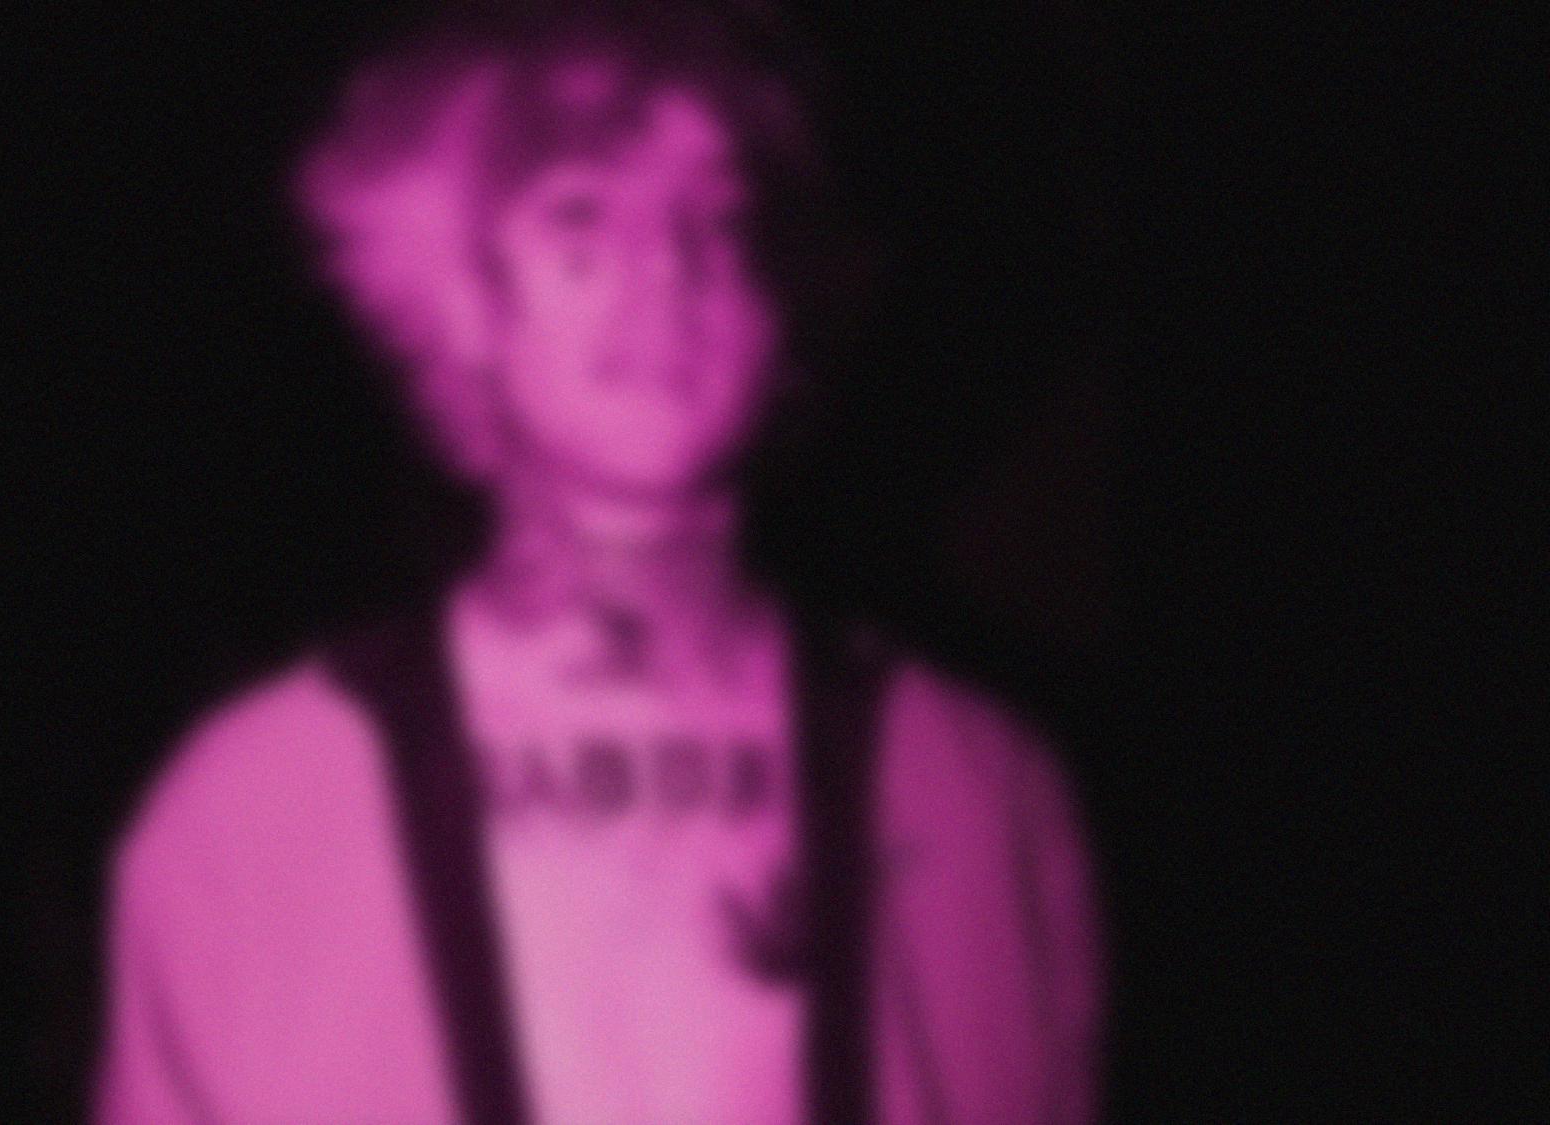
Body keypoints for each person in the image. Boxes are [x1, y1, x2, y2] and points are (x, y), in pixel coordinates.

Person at [95, 4, 1104, 1121]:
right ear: (462, 300)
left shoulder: (976, 786)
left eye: (715, 220)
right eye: (580, 215)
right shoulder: (253, 812)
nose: (666, 269)